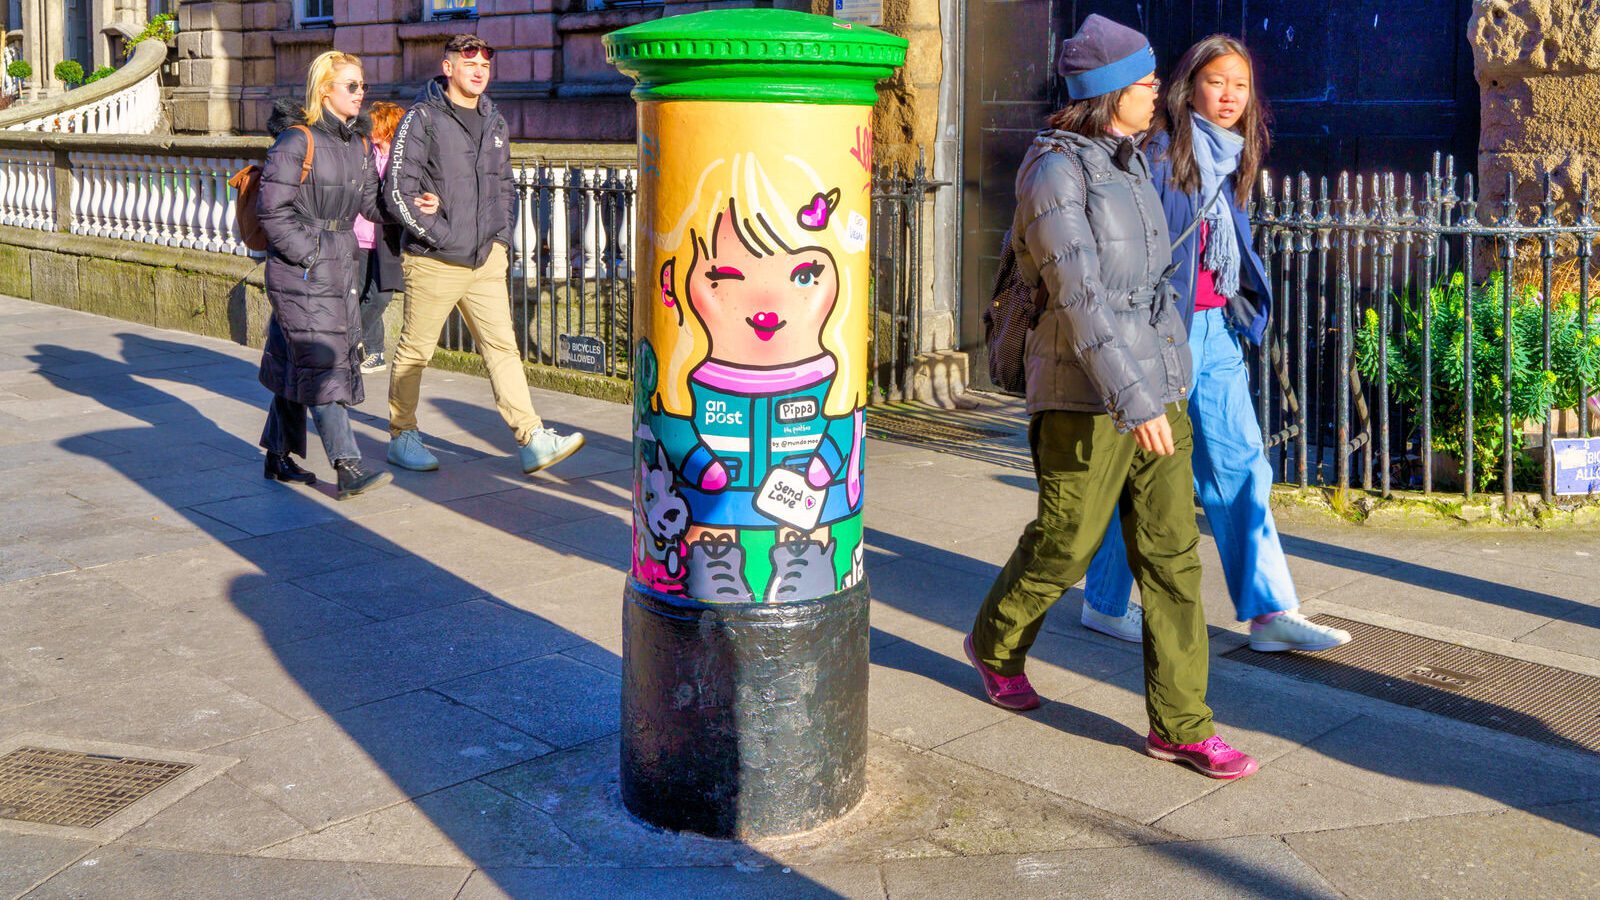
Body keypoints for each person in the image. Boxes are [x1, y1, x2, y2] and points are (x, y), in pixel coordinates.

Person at [965, 15, 1258, 780]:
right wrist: (1135, 401)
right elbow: (1083, 298)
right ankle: (995, 642)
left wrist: (1171, 383)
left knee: (1171, 561)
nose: (1158, 90)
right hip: (1082, 396)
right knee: (1066, 545)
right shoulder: (1053, 174)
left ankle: (1184, 727)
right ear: (1103, 94)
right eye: (1144, 81)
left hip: (1159, 394)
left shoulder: (1131, 162)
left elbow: (1156, 286)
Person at [1077, 36, 1353, 655]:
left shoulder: (1231, 155)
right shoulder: (1154, 152)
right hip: (1158, 333)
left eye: (1240, 85)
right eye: (1216, 82)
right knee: (1141, 471)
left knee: (1240, 463)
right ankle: (1101, 600)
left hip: (1213, 329)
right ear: (1189, 85)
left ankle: (1270, 612)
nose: (1229, 96)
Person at [384, 34, 585, 475]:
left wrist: (499, 238)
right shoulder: (423, 117)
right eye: (469, 62)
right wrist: (435, 232)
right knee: (416, 351)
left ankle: (531, 437)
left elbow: (504, 186)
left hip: (485, 261)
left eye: (486, 66)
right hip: (435, 259)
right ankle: (403, 434)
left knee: (502, 349)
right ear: (448, 66)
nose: (479, 71)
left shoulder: (494, 119)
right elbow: (396, 187)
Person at [256, 51, 396, 501]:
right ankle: (347, 464)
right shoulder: (296, 140)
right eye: (352, 86)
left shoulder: (356, 143)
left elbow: (371, 205)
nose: (361, 94)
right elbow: (272, 212)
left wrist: (413, 208)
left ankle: (278, 455)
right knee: (321, 360)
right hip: (303, 268)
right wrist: (310, 254)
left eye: (363, 86)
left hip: (339, 264)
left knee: (295, 358)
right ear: (325, 90)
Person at [354, 100, 407, 374]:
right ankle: (374, 352)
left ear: (387, 126)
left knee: (381, 296)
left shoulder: (402, 155)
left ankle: (348, 337)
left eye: (375, 123)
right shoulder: (366, 151)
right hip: (360, 234)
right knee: (361, 292)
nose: (369, 127)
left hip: (387, 236)